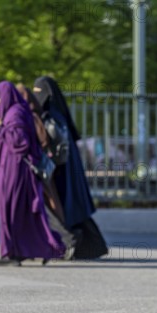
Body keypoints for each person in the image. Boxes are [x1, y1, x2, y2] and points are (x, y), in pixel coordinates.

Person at [0, 81, 65, 266]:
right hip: (11, 170)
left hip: (14, 171)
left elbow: (20, 142)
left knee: (10, 211)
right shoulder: (15, 112)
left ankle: (13, 253)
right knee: (17, 212)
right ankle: (16, 251)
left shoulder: (15, 114)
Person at [32, 76, 108, 260]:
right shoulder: (59, 115)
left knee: (61, 207)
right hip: (66, 171)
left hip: (59, 171)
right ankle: (92, 246)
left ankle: (70, 242)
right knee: (74, 209)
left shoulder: (51, 117)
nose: (37, 96)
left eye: (39, 92)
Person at [16, 83, 78, 260]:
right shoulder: (36, 113)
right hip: (41, 169)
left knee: (43, 208)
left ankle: (67, 239)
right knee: (44, 206)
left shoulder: (33, 115)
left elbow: (41, 139)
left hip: (36, 169)